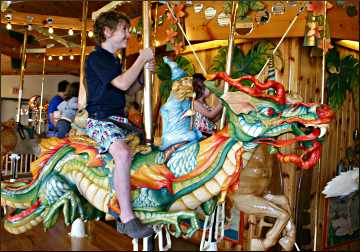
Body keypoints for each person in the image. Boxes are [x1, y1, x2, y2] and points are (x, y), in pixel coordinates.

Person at [85, 10, 155, 239]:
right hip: (100, 120)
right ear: (107, 31)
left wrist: (143, 79)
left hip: (119, 121)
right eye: (124, 29)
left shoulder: (114, 61)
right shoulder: (98, 58)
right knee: (123, 153)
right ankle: (126, 218)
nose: (128, 34)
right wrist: (141, 59)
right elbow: (124, 84)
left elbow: (128, 91)